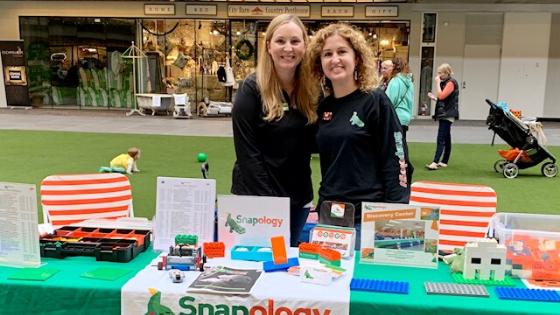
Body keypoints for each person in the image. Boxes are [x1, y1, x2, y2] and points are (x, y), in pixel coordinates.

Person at [306, 23, 412, 247]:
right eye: (327, 54)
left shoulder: (375, 101)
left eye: (342, 51)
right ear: (319, 63)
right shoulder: (322, 108)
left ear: (357, 57)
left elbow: (397, 160)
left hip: (369, 220)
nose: (335, 59)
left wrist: (394, 215)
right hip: (330, 217)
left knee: (367, 282)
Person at [230, 14, 318, 247]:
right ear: (268, 46)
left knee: (288, 265)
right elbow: (248, 154)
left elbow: (317, 141)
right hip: (257, 199)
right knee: (257, 266)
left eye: (295, 41)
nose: (288, 48)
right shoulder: (252, 89)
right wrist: (269, 207)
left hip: (298, 198)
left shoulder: (312, 89)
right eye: (280, 41)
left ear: (304, 46)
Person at [425, 63, 459, 170]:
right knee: (446, 137)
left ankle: (435, 162)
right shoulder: (448, 82)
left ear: (447, 73)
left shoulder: (450, 83)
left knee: (441, 138)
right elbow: (444, 99)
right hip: (446, 113)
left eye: (440, 73)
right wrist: (435, 98)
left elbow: (442, 95)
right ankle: (444, 161)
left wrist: (438, 84)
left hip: (447, 115)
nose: (438, 75)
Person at [385, 57, 414, 141]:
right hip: (405, 116)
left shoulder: (395, 81)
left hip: (395, 117)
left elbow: (389, 101)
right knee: (402, 144)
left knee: (394, 145)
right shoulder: (409, 81)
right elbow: (410, 101)